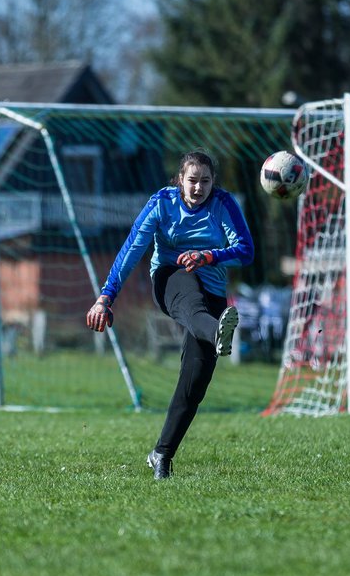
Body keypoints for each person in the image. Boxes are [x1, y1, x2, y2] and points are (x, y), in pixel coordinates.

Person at [86, 149, 254, 478]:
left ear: (212, 182)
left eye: (205, 181)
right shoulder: (162, 203)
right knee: (191, 298)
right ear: (179, 180)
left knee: (194, 383)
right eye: (192, 180)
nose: (198, 187)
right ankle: (216, 329)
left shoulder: (223, 203)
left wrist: (209, 256)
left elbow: (245, 250)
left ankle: (161, 454)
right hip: (171, 280)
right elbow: (132, 247)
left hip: (214, 296)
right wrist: (106, 297)